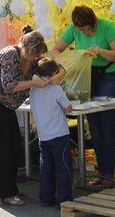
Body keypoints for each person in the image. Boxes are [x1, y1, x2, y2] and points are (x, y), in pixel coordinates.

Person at [0, 27, 56, 206]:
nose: (35, 58)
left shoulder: (33, 58)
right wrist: (35, 83)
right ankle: (7, 193)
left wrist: (55, 76)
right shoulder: (10, 54)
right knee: (3, 148)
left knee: (14, 144)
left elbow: (52, 67)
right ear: (25, 47)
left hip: (6, 106)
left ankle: (9, 187)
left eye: (37, 55)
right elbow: (9, 86)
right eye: (33, 54)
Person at [51, 5, 115, 188]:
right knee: (94, 125)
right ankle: (100, 171)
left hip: (109, 75)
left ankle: (109, 173)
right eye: (79, 29)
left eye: (85, 28)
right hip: (88, 76)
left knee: (107, 125)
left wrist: (100, 52)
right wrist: (73, 57)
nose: (82, 31)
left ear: (93, 22)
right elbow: (55, 50)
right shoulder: (74, 29)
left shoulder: (107, 26)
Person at [30, 58, 73, 206]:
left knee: (46, 167)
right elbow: (68, 108)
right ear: (54, 73)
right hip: (59, 133)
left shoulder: (33, 89)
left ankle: (46, 197)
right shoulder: (56, 89)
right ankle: (64, 198)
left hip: (43, 135)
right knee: (63, 167)